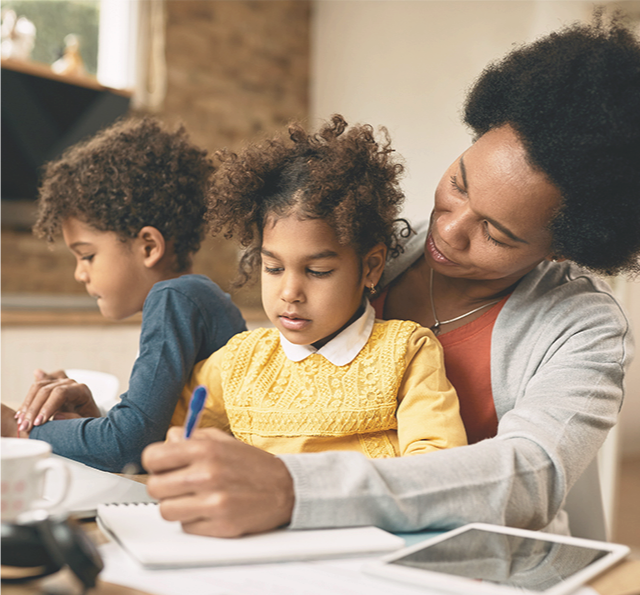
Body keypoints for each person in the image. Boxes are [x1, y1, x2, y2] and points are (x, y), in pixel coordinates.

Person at [142, 14, 639, 538]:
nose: (448, 231)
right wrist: (118, 420)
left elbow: (528, 477)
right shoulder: (365, 244)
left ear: (562, 249)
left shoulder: (584, 328)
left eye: (495, 232)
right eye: (459, 184)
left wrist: (297, 488)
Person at [171, 115, 467, 458]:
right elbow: (172, 431)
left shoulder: (406, 352)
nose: (289, 292)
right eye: (274, 267)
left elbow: (437, 465)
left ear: (370, 266)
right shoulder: (240, 361)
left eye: (318, 271)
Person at [0, 117, 247, 472]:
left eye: (87, 255)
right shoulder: (194, 298)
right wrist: (93, 416)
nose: (79, 272)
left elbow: (126, 445)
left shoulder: (174, 298)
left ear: (148, 246)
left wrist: (15, 429)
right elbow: (157, 437)